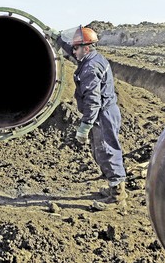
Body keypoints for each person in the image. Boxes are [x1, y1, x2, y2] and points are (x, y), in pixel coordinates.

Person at [54, 25, 128, 207]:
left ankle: (118, 195)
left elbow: (93, 101)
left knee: (107, 151)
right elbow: (73, 53)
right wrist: (57, 38)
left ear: (86, 48)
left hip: (103, 115)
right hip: (103, 113)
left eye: (76, 48)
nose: (73, 51)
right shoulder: (90, 58)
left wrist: (85, 126)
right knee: (100, 151)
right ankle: (113, 187)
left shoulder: (90, 69)